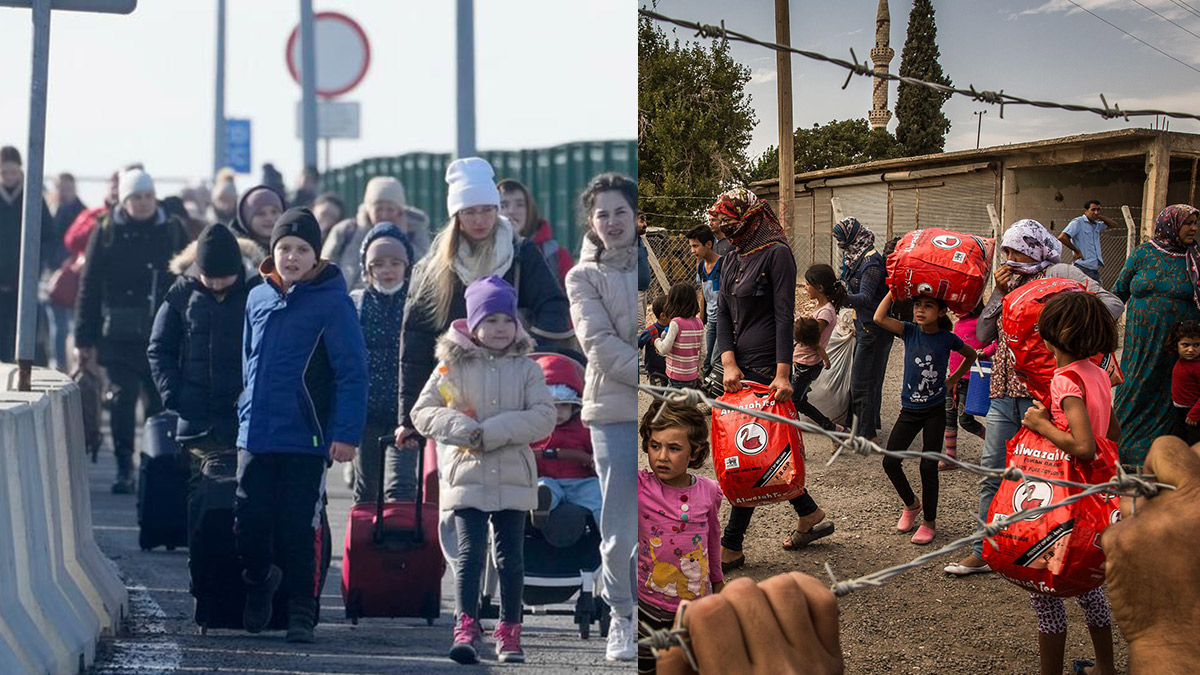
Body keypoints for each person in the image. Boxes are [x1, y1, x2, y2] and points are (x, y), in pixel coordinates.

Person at [658, 434, 1200, 675]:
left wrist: (1167, 635)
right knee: (1071, 594)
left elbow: (1084, 443)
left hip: (1066, 505)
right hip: (1073, 503)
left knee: (1061, 593)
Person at [396, 157, 572, 579]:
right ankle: (468, 581)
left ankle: (499, 583)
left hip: (508, 389)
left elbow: (554, 307)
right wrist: (406, 417)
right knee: (454, 495)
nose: (479, 219)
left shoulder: (520, 253)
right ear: (456, 215)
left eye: (487, 209)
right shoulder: (434, 266)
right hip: (456, 394)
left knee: (505, 494)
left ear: (497, 210)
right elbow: (415, 341)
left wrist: (522, 328)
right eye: (470, 211)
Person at [944, 218, 1122, 576]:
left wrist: (1060, 313)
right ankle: (984, 550)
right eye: (1006, 251)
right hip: (1003, 391)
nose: (1010, 258)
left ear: (1034, 248)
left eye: (1017, 251)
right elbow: (982, 332)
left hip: (1045, 395)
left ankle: (1045, 547)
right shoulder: (1008, 282)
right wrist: (998, 293)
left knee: (1046, 477)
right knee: (992, 472)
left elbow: (1111, 304)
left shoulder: (1061, 271)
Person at [235, 207, 367, 644]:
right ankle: (257, 581)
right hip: (256, 433)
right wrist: (243, 411)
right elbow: (248, 362)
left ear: (316, 256)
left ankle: (300, 612)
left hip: (306, 438)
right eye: (284, 248)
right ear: (273, 252)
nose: (292, 257)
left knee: (298, 527)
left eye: (302, 249)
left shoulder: (333, 303)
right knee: (249, 521)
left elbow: (352, 372)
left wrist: (345, 434)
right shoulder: (257, 297)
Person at [411, 276, 556, 665]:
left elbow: (544, 416)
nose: (499, 329)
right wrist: (460, 428)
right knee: (470, 553)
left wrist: (492, 432)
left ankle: (510, 630)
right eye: (490, 320)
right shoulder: (451, 367)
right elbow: (423, 411)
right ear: (472, 324)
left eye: (506, 320)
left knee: (511, 557)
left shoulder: (527, 369)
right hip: (467, 473)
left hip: (511, 474)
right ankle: (466, 624)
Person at [710, 188, 834, 571]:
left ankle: (731, 544)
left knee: (746, 454)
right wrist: (728, 363)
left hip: (767, 368)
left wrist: (784, 374)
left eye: (730, 225)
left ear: (749, 220)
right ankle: (809, 513)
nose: (725, 233)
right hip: (738, 367)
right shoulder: (732, 256)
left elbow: (784, 317)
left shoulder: (777, 254)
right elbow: (725, 315)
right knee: (752, 449)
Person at [1018, 291, 1120, 675]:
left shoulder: (1065, 379)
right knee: (1088, 583)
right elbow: (1111, 431)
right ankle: (1105, 667)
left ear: (1052, 337)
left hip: (1065, 497)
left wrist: (1041, 425)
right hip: (1094, 495)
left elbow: (1083, 445)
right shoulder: (1098, 374)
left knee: (1046, 590)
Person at [75, 168, 189, 493]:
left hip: (162, 331)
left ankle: (153, 464)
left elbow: (188, 279)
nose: (142, 203)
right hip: (118, 335)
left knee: (157, 403)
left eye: (147, 196)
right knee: (123, 399)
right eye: (135, 197)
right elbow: (90, 285)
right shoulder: (107, 230)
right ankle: (124, 466)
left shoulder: (171, 228)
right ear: (124, 200)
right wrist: (84, 338)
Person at [563, 173, 639, 662]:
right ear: (591, 222)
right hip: (613, 411)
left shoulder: (652, 268)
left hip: (667, 409)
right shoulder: (582, 276)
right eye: (602, 214)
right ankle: (623, 615)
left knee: (675, 513)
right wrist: (654, 373)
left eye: (620, 212)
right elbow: (599, 346)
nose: (612, 222)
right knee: (621, 525)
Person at [147, 223, 249, 505]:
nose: (216, 285)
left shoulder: (255, 292)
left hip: (245, 415)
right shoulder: (181, 293)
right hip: (197, 417)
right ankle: (202, 548)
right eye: (209, 278)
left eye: (224, 278)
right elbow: (159, 348)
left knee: (246, 491)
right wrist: (174, 395)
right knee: (200, 489)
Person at [873, 292, 976, 545]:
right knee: (890, 462)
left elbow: (971, 355)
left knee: (928, 467)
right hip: (908, 411)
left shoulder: (947, 338)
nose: (920, 310)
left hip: (934, 411)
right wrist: (894, 291)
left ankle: (929, 523)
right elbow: (878, 317)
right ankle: (911, 505)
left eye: (928, 306)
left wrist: (953, 379)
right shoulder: (909, 331)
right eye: (917, 305)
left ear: (942, 312)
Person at [637, 399, 724, 675]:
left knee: (688, 666)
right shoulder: (638, 486)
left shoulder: (709, 491)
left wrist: (718, 583)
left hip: (692, 610)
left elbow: (712, 539)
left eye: (674, 448)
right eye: (654, 445)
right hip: (644, 605)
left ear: (695, 452)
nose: (662, 456)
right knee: (644, 666)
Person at [1114, 204, 1200, 467]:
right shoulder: (1142, 254)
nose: (1194, 228)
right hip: (1139, 347)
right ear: (1171, 225)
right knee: (1134, 392)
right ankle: (1120, 456)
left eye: (1195, 223)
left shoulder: (1195, 259)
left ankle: (1161, 463)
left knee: (1171, 401)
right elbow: (1118, 293)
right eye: (1188, 223)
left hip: (1179, 350)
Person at [349, 223, 417, 504]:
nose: (387, 270)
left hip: (406, 412)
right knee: (367, 487)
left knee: (401, 487)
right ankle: (365, 544)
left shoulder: (417, 303)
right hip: (366, 411)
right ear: (367, 269)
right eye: (378, 264)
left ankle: (401, 543)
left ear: (407, 266)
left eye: (395, 263)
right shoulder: (357, 303)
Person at [833, 217, 891, 443]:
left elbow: (866, 298)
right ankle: (869, 426)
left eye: (843, 242)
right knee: (871, 379)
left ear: (853, 238)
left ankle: (865, 433)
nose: (841, 247)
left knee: (861, 382)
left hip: (874, 329)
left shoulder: (871, 263)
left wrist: (843, 298)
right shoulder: (857, 258)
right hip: (868, 325)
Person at [529, 352, 601, 528]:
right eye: (553, 407)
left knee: (597, 493)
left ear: (574, 407)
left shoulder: (583, 428)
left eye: (564, 406)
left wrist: (594, 461)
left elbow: (595, 452)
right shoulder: (532, 429)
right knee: (543, 487)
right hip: (547, 478)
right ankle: (540, 508)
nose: (558, 412)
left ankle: (609, 534)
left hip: (579, 480)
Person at [323, 176, 432, 290]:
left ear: (400, 211)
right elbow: (325, 267)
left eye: (390, 209)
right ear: (368, 208)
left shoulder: (415, 232)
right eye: (378, 209)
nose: (384, 215)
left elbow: (423, 269)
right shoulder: (346, 231)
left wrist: (403, 237)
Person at [0, 145, 55, 365]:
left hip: (23, 286)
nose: (10, 177)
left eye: (13, 172)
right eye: (4, 173)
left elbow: (48, 236)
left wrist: (37, 267)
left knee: (25, 343)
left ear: (21, 171)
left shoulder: (32, 198)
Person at [793, 264, 848, 433]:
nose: (805, 287)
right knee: (799, 401)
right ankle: (834, 430)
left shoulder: (826, 313)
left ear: (820, 287)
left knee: (793, 401)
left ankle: (792, 436)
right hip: (802, 361)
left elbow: (812, 338)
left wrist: (796, 325)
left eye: (808, 284)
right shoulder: (820, 307)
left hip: (806, 364)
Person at [941, 301, 994, 469]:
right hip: (954, 378)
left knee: (966, 420)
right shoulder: (958, 324)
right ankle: (950, 457)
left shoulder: (983, 323)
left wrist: (985, 352)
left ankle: (997, 443)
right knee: (949, 418)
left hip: (973, 379)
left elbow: (997, 342)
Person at [498, 178, 573, 290]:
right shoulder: (481, 251)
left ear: (530, 210)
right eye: (503, 205)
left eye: (520, 205)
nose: (511, 211)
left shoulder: (555, 255)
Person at [686, 224, 722, 377]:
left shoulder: (724, 264)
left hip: (724, 319)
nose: (692, 251)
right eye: (691, 246)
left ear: (708, 244)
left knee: (716, 359)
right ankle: (706, 387)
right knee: (706, 358)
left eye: (695, 246)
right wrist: (701, 319)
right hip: (711, 320)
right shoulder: (701, 267)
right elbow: (703, 294)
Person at [1058, 200, 1121, 285]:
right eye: (1093, 210)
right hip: (1082, 266)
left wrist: (1099, 216)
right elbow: (1062, 237)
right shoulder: (1078, 222)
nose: (1096, 212)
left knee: (1096, 294)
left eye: (1098, 210)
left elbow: (1114, 225)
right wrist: (1076, 251)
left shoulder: (1096, 225)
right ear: (1085, 211)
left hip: (1093, 268)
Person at [655, 282, 704, 389]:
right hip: (692, 377)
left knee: (669, 405)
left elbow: (664, 349)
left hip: (676, 378)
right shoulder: (699, 323)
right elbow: (704, 352)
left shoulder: (676, 323)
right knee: (686, 404)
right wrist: (696, 369)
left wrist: (656, 341)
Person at [228, 185, 285, 258]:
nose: (269, 218)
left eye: (274, 212)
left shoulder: (294, 246)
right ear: (246, 219)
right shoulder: (236, 253)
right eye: (261, 214)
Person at [1169, 319, 1200, 446]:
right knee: (1180, 443)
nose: (1191, 349)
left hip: (1194, 413)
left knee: (1194, 446)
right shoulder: (1181, 362)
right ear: (1176, 345)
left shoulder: (1197, 367)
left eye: (1196, 345)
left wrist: (1194, 414)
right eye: (1185, 345)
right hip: (1179, 411)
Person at [639, 296, 669, 387]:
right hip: (655, 372)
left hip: (671, 371)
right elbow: (638, 344)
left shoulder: (674, 328)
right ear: (663, 316)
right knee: (659, 398)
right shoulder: (650, 331)